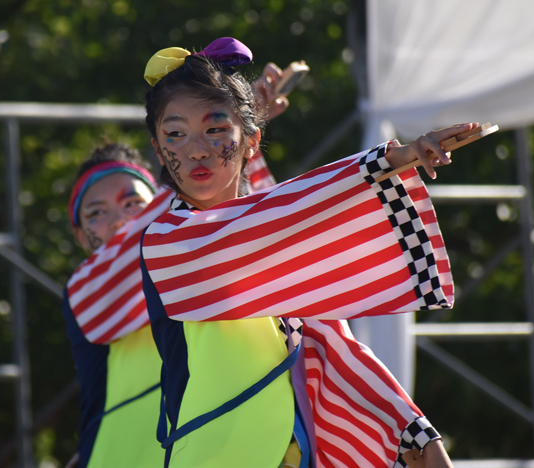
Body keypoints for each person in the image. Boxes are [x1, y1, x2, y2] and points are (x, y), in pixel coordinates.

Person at [139, 37, 470, 468]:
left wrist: (417, 434)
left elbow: (336, 346)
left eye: (216, 128)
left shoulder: (275, 245)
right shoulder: (169, 243)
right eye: (175, 134)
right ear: (158, 148)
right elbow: (261, 226)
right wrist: (388, 162)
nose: (196, 149)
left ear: (251, 142)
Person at [61, 59, 290, 467]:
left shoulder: (187, 243)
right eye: (96, 213)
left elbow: (247, 218)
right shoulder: (86, 291)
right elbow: (160, 224)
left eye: (133, 203)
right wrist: (218, 136)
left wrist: (239, 130)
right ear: (80, 236)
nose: (119, 220)